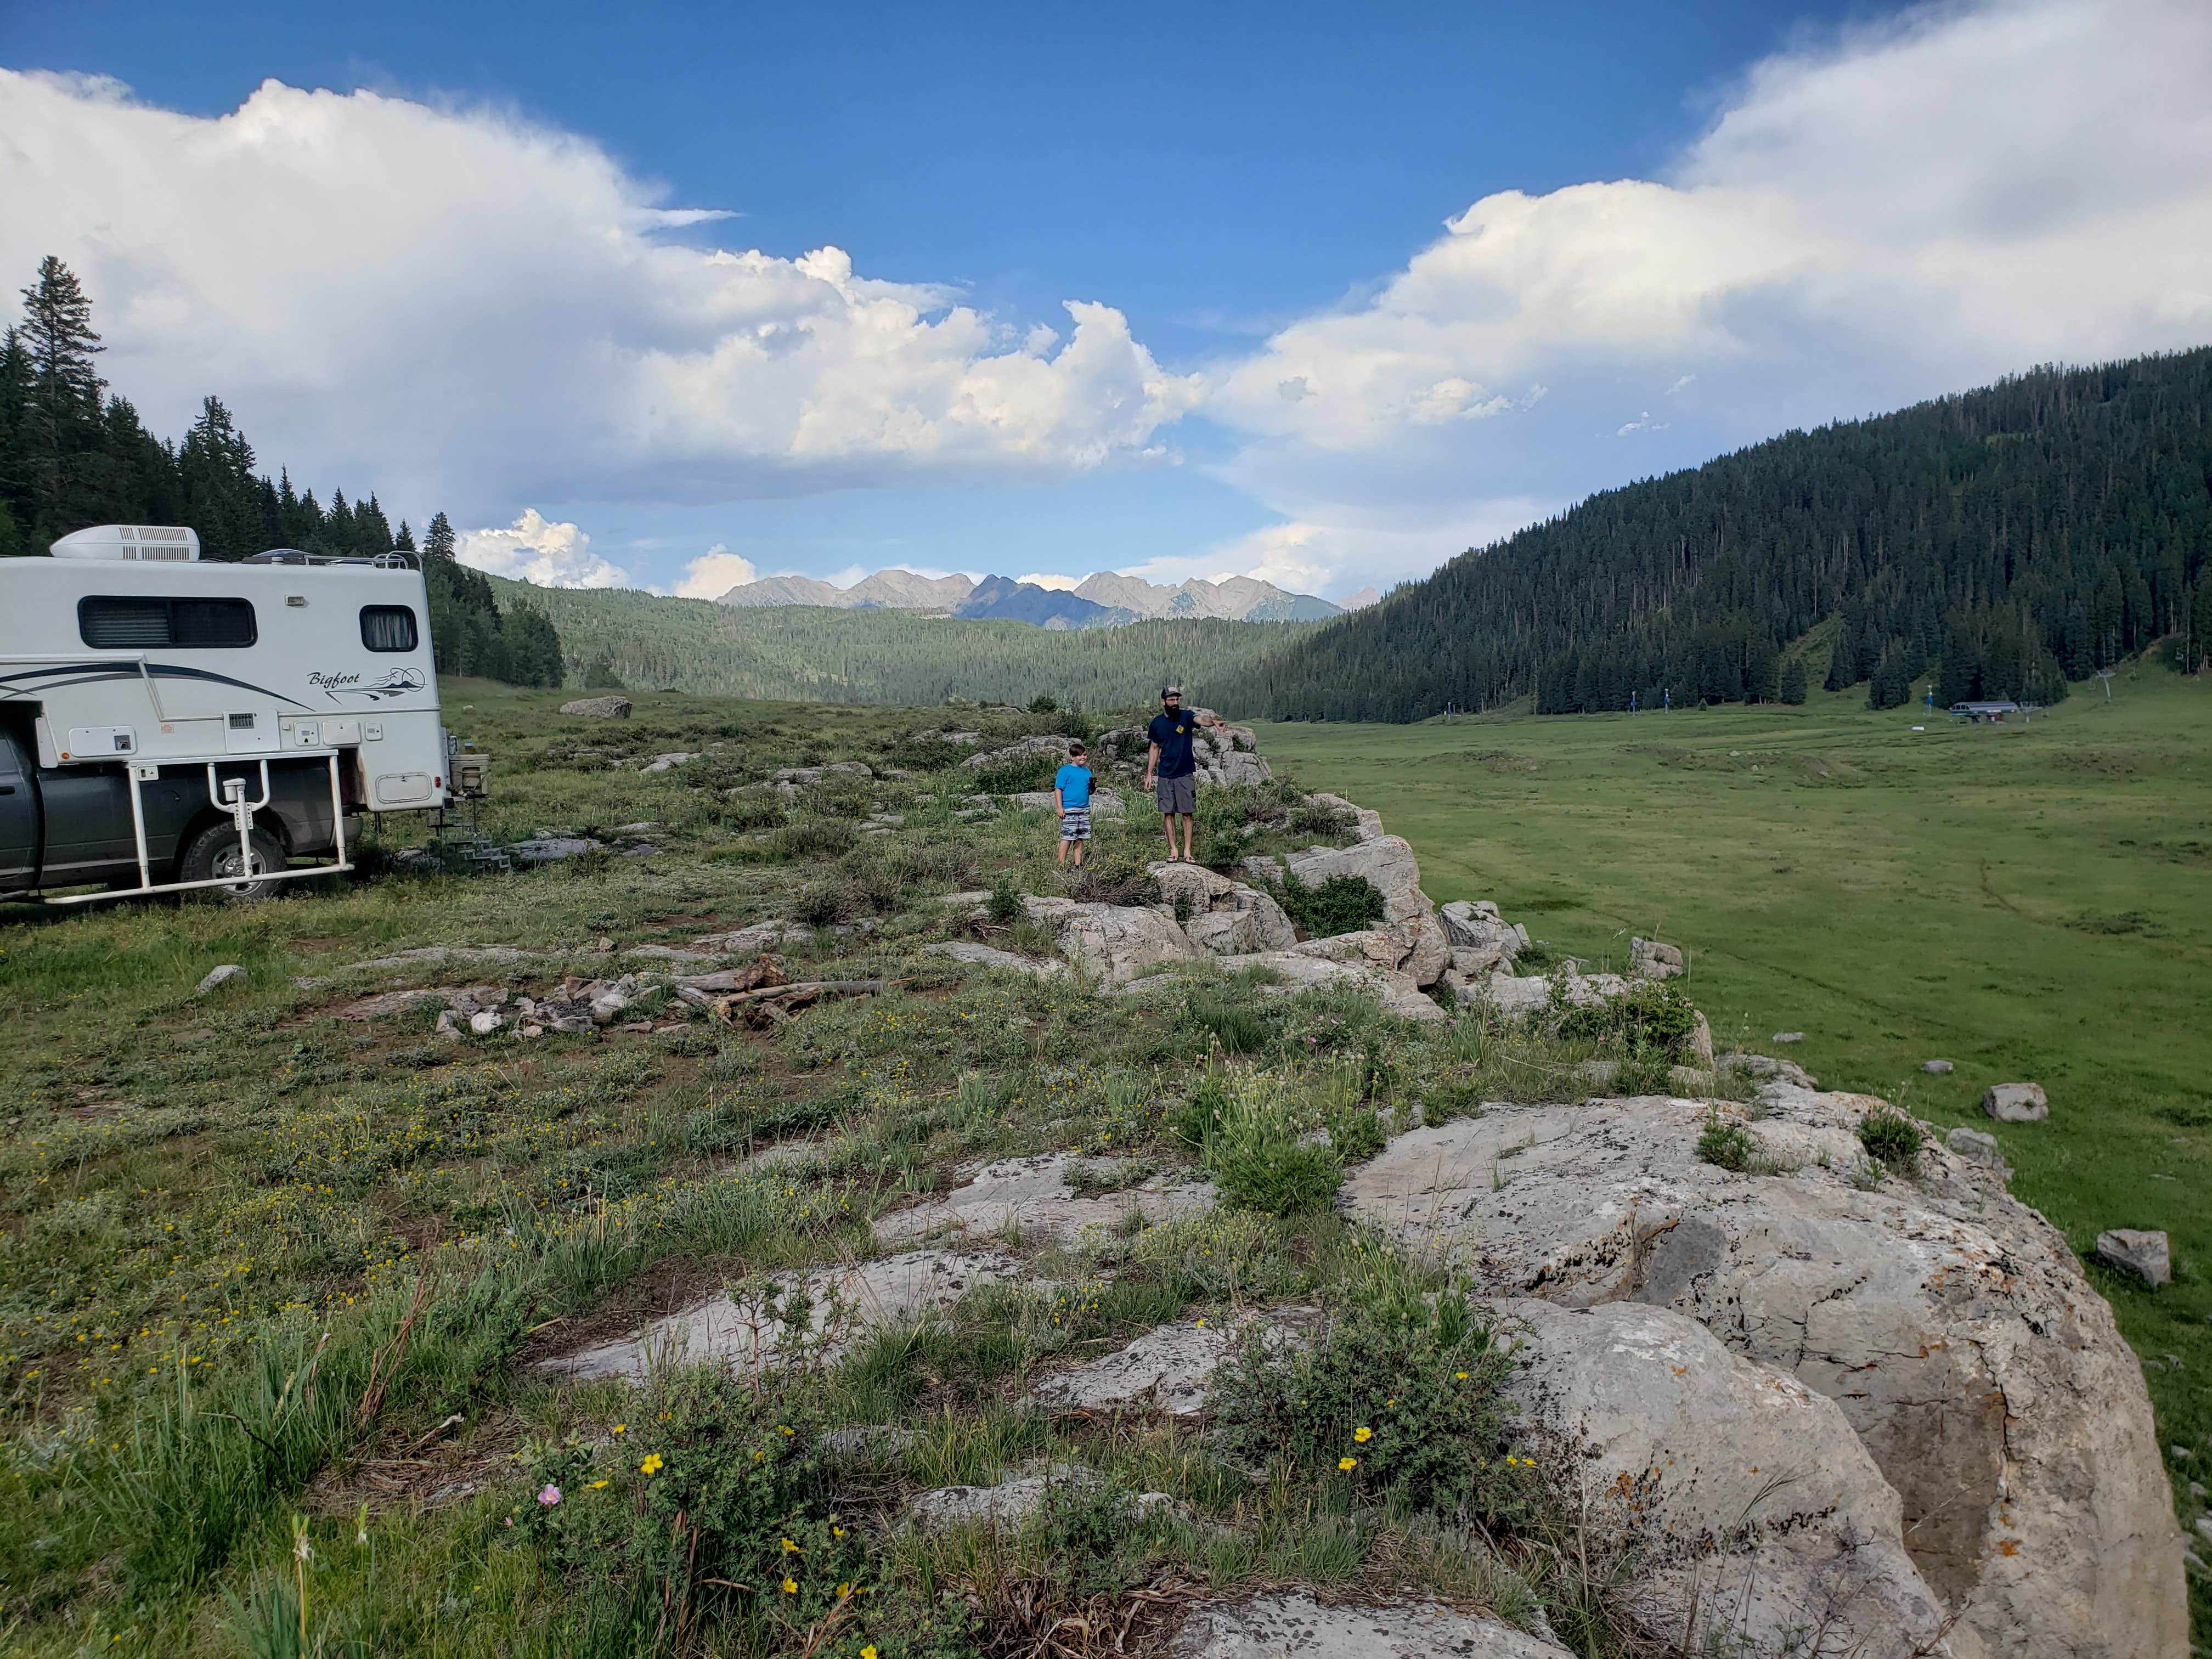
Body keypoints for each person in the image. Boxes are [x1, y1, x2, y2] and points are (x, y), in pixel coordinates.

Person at [1143, 685, 1218, 862]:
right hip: (1165, 774)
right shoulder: (1157, 723)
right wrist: (1149, 773)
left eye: (1177, 699)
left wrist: (1213, 722)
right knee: (1168, 813)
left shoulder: (1186, 716)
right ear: (1163, 702)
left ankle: (1187, 851)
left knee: (1187, 812)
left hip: (1185, 773)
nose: (1175, 702)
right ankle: (1174, 851)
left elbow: (1201, 720)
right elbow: (1154, 748)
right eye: (1171, 700)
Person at [1053, 741, 1093, 867]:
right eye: (1079, 755)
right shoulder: (1065, 771)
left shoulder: (1087, 772)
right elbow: (1058, 789)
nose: (1082, 757)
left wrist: (1093, 787)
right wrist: (1060, 807)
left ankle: (1078, 865)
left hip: (1084, 809)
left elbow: (1090, 791)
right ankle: (1062, 865)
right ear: (1072, 757)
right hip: (1069, 808)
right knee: (1067, 837)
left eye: (1085, 755)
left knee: (1080, 837)